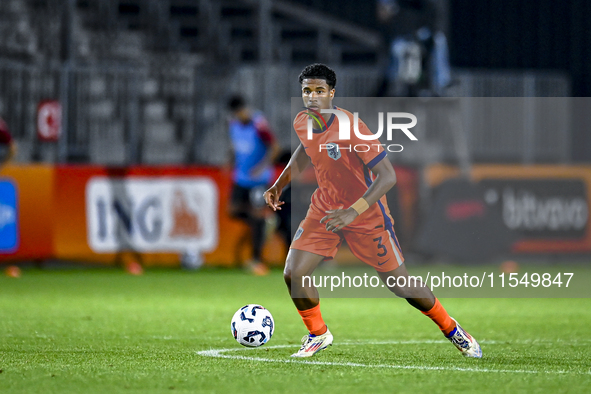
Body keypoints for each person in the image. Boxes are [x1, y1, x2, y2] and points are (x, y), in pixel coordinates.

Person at [263, 63, 481, 358]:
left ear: (331, 93)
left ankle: (452, 329)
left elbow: (387, 175)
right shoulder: (303, 121)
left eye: (319, 91)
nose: (312, 97)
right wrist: (279, 185)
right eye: (306, 91)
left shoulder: (351, 127)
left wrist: (353, 211)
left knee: (400, 285)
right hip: (326, 208)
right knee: (294, 272)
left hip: (367, 214)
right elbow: (304, 151)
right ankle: (317, 334)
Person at [227, 95, 280, 276]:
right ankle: (263, 222)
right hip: (240, 178)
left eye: (240, 112)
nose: (238, 116)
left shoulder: (259, 125)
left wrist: (262, 167)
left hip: (259, 180)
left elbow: (275, 147)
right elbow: (234, 147)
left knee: (257, 215)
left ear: (245, 109)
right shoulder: (233, 125)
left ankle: (257, 260)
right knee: (233, 210)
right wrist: (230, 162)